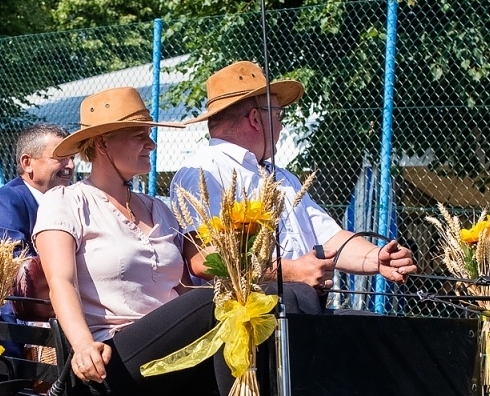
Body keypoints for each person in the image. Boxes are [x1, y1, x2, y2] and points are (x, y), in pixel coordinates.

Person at [35, 87, 279, 396]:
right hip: (108, 358)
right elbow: (60, 282)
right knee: (214, 305)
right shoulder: (65, 202)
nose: (152, 143)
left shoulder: (160, 208)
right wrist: (81, 346)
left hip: (174, 356)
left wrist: (247, 249)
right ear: (100, 143)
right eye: (139, 135)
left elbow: (195, 275)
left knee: (253, 310)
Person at [169, 61, 416, 311]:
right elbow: (204, 259)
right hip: (248, 319)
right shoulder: (204, 171)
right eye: (278, 115)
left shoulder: (282, 176)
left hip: (299, 308)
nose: (282, 125)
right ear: (255, 118)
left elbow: (329, 237)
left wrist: (377, 258)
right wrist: (292, 272)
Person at [0, 124, 73, 252]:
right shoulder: (5, 205)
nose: (70, 165)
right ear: (27, 163)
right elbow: (16, 266)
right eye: (61, 157)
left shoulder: (74, 199)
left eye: (72, 158)